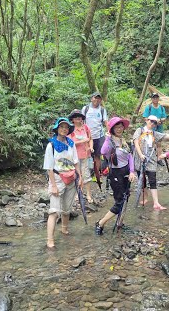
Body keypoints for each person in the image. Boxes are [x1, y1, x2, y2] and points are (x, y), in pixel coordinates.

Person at [43, 118, 83, 249]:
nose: (64, 129)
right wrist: (53, 185)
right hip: (57, 178)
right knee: (54, 211)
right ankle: (50, 240)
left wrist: (80, 176)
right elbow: (49, 167)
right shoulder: (51, 145)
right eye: (62, 127)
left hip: (71, 178)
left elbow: (76, 162)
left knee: (67, 209)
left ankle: (64, 230)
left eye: (66, 127)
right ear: (57, 129)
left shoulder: (71, 143)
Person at [95, 117, 137, 235]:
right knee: (119, 201)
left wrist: (132, 172)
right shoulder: (110, 141)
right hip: (115, 173)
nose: (119, 129)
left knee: (125, 198)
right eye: (116, 127)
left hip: (126, 171)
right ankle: (100, 223)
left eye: (121, 127)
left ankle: (120, 223)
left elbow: (130, 157)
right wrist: (107, 138)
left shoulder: (123, 141)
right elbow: (103, 152)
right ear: (112, 129)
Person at [133, 115, 169, 210]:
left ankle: (156, 203)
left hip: (151, 159)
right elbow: (135, 143)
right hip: (139, 159)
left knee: (152, 179)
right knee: (142, 180)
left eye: (155, 122)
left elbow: (166, 136)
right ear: (147, 120)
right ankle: (145, 196)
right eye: (151, 121)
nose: (153, 124)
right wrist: (140, 155)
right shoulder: (140, 130)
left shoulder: (154, 134)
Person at [68, 109, 94, 203]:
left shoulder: (86, 127)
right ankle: (77, 193)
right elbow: (70, 143)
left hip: (86, 155)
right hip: (74, 156)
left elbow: (90, 139)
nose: (78, 118)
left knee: (86, 174)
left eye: (79, 116)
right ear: (72, 119)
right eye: (76, 116)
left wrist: (91, 147)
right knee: (76, 175)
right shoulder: (70, 129)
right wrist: (83, 141)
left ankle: (88, 194)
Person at [82, 91, 108, 183]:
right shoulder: (86, 108)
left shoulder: (102, 110)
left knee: (97, 156)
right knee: (86, 156)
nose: (96, 99)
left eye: (98, 98)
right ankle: (86, 174)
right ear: (91, 98)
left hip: (99, 136)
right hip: (87, 137)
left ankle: (97, 175)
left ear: (100, 100)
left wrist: (109, 132)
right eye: (95, 97)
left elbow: (105, 121)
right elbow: (81, 121)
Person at [142, 92, 167, 166]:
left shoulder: (162, 108)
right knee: (150, 143)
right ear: (151, 99)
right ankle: (148, 157)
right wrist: (153, 122)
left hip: (159, 127)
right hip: (150, 128)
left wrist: (160, 120)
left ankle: (159, 158)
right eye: (154, 98)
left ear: (158, 99)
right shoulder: (148, 107)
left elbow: (164, 117)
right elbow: (145, 118)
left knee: (159, 143)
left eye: (156, 97)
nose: (155, 99)